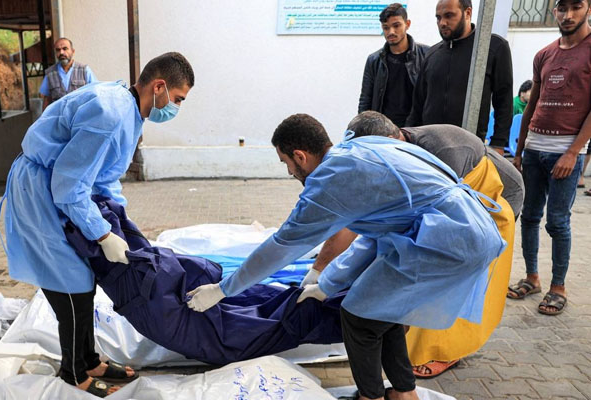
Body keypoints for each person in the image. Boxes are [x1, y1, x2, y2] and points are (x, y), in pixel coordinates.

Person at [187, 113, 506, 400]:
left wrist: (223, 289)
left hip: (447, 239)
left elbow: (280, 247)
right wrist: (327, 285)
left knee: (357, 315)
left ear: (300, 156)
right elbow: (370, 238)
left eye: (286, 163)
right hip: (459, 229)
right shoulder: (353, 152)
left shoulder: (330, 182)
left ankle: (371, 397)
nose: (288, 172)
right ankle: (404, 393)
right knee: (384, 309)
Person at [0, 52, 194, 397]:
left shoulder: (128, 110)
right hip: (42, 190)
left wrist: (119, 221)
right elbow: (68, 187)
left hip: (59, 186)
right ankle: (73, 372)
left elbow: (102, 177)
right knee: (70, 283)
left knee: (84, 279)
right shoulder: (110, 115)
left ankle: (89, 359)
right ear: (159, 87)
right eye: (177, 100)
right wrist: (102, 234)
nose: (177, 108)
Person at [334, 111, 521, 378]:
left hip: (493, 205)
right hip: (456, 208)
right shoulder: (396, 148)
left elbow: (431, 223)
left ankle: (445, 352)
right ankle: (413, 360)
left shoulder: (443, 153)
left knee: (456, 284)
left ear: (393, 139)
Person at [508, 0, 591, 316]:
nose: (568, 14)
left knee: (558, 221)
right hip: (533, 151)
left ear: (588, 8)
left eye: (576, 6)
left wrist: (573, 152)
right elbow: (532, 104)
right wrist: (519, 151)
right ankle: (532, 277)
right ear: (554, 11)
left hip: (565, 152)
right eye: (561, 7)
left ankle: (559, 287)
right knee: (529, 216)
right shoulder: (544, 54)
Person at [406, 0, 514, 154]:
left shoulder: (492, 47)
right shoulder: (432, 54)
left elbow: (503, 100)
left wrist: (498, 143)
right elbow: (418, 104)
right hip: (429, 148)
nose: (442, 22)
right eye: (438, 17)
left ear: (467, 13)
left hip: (469, 149)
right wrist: (409, 138)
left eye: (449, 15)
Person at [358, 3, 429, 127]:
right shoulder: (374, 60)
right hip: (383, 130)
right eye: (386, 27)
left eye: (396, 26)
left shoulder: (427, 55)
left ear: (407, 24)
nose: (391, 32)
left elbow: (431, 98)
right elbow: (365, 100)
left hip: (416, 129)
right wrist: (363, 132)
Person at [40, 37, 98, 110]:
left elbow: (95, 93)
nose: (61, 52)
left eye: (65, 49)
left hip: (80, 117)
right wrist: (44, 119)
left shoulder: (84, 70)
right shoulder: (50, 73)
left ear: (73, 51)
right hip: (59, 118)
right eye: (58, 50)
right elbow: (46, 99)